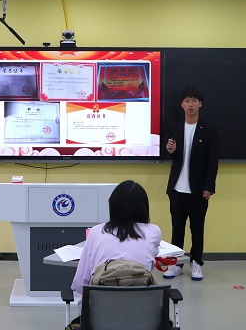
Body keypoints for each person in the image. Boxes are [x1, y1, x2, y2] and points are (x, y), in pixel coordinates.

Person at [70, 180, 161, 323]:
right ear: (144, 207)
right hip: (143, 319)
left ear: (112, 206)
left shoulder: (96, 232)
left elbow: (80, 284)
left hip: (98, 320)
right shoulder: (154, 232)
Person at [163, 86, 219, 281]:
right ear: (182, 104)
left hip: (198, 190)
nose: (190, 104)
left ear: (200, 104)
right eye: (187, 100)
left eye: (194, 100)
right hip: (177, 188)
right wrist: (170, 151)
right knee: (177, 228)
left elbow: (213, 161)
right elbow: (169, 155)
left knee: (197, 228)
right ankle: (176, 264)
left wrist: (209, 187)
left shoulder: (208, 130)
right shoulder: (174, 127)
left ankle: (196, 263)